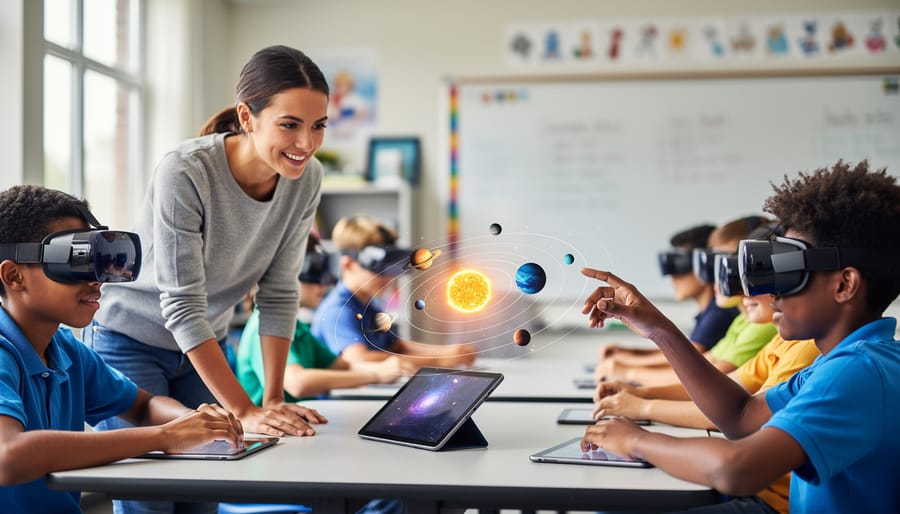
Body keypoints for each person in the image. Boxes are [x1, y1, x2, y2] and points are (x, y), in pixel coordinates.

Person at [87, 45, 329, 513]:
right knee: (149, 497)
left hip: (202, 347)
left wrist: (272, 401)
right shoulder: (186, 169)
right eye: (290, 124)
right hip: (130, 339)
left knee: (205, 493)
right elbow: (181, 304)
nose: (307, 143)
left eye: (318, 125)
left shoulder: (307, 177)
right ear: (247, 116)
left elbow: (278, 293)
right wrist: (245, 409)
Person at [579, 160, 900, 513]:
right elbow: (740, 415)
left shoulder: (860, 371)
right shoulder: (842, 361)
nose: (771, 291)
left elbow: (736, 469)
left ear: (844, 284)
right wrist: (660, 329)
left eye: (788, 269)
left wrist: (638, 440)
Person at [0, 185, 243, 513]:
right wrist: (165, 437)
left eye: (97, 262)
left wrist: (194, 421)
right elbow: (8, 456)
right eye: (75, 261)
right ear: (14, 276)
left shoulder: (68, 352)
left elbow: (145, 406)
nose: (96, 279)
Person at [594, 293, 818, 514]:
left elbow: (737, 430)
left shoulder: (816, 352)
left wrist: (639, 427)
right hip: (759, 489)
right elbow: (726, 392)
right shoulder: (785, 339)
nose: (745, 290)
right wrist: (642, 394)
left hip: (772, 500)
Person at [596, 216, 777, 385]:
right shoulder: (741, 321)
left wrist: (629, 373)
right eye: (713, 265)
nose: (717, 276)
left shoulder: (753, 321)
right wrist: (629, 358)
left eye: (732, 265)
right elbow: (700, 364)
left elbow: (703, 378)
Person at [237, 234, 411, 403]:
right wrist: (376, 375)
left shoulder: (298, 329)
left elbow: (343, 367)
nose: (323, 283)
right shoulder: (262, 327)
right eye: (312, 270)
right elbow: (297, 383)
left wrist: (389, 368)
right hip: (271, 431)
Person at [312, 215, 476, 367]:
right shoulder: (338, 310)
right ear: (347, 264)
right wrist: (439, 360)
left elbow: (396, 347)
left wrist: (449, 352)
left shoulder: (367, 306)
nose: (389, 278)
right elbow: (359, 359)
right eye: (378, 269)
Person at [598, 223, 738, 365]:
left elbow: (687, 358)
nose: (672, 277)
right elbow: (680, 350)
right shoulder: (708, 311)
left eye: (680, 267)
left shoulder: (721, 311)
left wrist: (625, 363)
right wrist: (627, 353)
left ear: (704, 266)